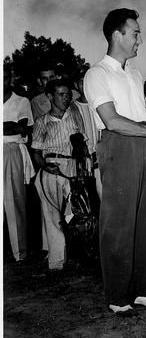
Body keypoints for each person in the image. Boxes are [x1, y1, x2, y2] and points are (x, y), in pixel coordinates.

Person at [84, 8, 146, 316]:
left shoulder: (135, 75)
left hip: (145, 147)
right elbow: (111, 121)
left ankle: (143, 290)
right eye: (135, 33)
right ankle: (118, 293)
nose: (140, 39)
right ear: (117, 35)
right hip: (119, 146)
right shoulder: (97, 73)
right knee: (119, 222)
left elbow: (142, 117)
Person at [32, 78, 86, 271]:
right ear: (49, 96)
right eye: (61, 94)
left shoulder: (74, 114)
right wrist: (46, 167)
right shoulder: (42, 122)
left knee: (74, 214)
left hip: (72, 168)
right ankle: (56, 261)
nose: (66, 98)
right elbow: (36, 153)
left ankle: (78, 256)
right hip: (52, 169)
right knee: (52, 215)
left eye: (68, 94)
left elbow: (82, 143)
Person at [3, 65, 35, 262]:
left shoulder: (21, 101)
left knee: (14, 202)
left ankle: (19, 253)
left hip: (11, 151)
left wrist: (14, 127)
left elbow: (20, 128)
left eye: (5, 77)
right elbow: (9, 126)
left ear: (10, 78)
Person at [74, 71, 102, 198]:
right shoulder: (72, 107)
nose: (85, 85)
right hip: (84, 160)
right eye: (81, 82)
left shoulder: (100, 104)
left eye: (88, 81)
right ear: (75, 84)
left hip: (101, 157)